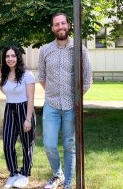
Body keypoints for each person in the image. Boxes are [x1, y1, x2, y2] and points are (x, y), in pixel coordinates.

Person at [38, 13, 92, 189]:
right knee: (49, 145)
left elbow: (87, 79)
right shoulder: (45, 50)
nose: (60, 27)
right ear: (52, 28)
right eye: (56, 24)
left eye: (63, 23)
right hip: (51, 106)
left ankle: (68, 183)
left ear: (68, 25)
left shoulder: (79, 49)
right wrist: (53, 94)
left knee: (70, 146)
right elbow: (42, 77)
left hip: (71, 106)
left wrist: (76, 99)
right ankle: (57, 174)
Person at [0, 46, 35, 188]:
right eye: (7, 56)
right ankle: (13, 173)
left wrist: (28, 119)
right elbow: (7, 91)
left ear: (18, 57)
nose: (10, 59)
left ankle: (24, 174)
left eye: (13, 56)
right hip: (10, 110)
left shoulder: (27, 75)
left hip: (24, 109)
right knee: (7, 143)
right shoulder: (5, 74)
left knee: (26, 144)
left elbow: (30, 97)